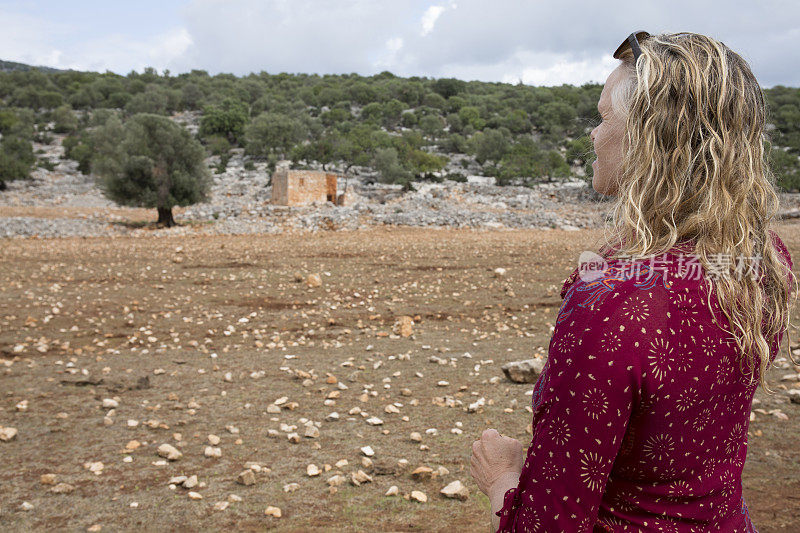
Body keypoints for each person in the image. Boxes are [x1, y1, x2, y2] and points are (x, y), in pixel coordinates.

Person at [470, 31, 797, 532]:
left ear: (651, 140)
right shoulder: (763, 258)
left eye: (603, 119)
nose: (593, 135)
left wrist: (502, 478)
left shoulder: (612, 305)